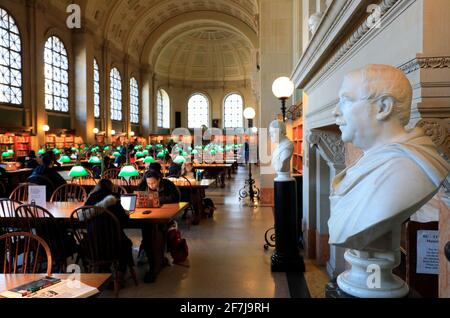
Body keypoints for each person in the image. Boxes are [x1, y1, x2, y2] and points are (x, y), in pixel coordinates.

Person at [328, 64, 450, 297]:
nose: (335, 111)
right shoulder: (370, 162)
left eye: (345, 100)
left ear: (383, 107)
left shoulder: (410, 169)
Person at [84, 179, 134, 277]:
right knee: (127, 243)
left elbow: (84, 218)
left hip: (93, 243)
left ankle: (102, 269)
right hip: (112, 243)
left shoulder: (90, 198)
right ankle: (120, 272)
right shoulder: (114, 198)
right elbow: (123, 221)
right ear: (111, 187)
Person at [137, 170, 180, 283]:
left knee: (155, 232)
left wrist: (158, 200)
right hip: (147, 214)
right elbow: (138, 195)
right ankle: (152, 256)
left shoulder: (168, 184)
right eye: (149, 183)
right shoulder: (143, 184)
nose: (151, 185)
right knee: (147, 231)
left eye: (153, 183)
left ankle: (155, 259)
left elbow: (175, 198)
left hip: (164, 215)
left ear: (159, 180)